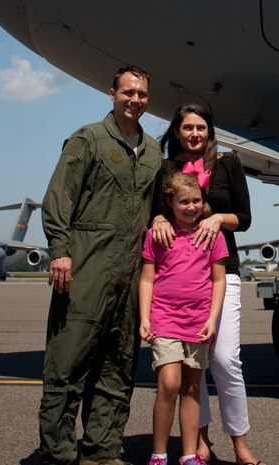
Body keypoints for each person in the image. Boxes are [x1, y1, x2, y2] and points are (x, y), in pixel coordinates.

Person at [38, 65, 162, 465]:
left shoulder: (154, 153)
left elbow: (157, 204)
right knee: (66, 368)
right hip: (87, 270)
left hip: (129, 279)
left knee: (117, 369)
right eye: (128, 92)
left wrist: (160, 217)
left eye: (142, 94)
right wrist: (60, 248)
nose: (135, 100)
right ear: (112, 94)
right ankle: (57, 454)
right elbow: (59, 197)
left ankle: (101, 452)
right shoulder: (87, 139)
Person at [152, 103, 266, 465]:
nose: (194, 134)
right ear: (177, 132)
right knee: (192, 366)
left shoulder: (228, 163)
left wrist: (218, 218)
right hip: (182, 276)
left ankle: (239, 441)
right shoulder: (167, 168)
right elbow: (158, 208)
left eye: (201, 127)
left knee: (226, 360)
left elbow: (245, 218)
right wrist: (157, 217)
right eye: (187, 128)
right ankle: (199, 439)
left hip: (222, 271)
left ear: (209, 130)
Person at [139, 172, 228, 465]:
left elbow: (218, 280)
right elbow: (147, 279)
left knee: (191, 387)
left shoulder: (213, 235)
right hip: (164, 317)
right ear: (169, 202)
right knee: (169, 383)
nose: (190, 207)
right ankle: (159, 453)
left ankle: (189, 454)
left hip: (198, 321)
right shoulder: (158, 234)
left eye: (195, 200)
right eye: (183, 201)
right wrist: (145, 318)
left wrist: (213, 319)